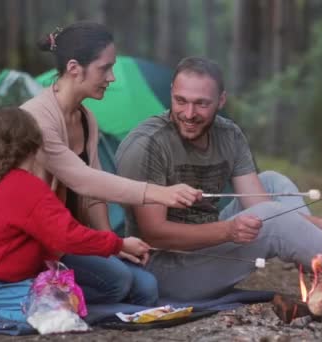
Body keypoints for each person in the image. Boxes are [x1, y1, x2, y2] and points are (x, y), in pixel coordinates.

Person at [115, 56, 322, 301]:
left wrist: (320, 224)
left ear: (221, 101)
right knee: (273, 219)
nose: (189, 113)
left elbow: (260, 203)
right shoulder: (149, 144)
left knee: (273, 182)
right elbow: (154, 233)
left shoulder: (228, 134)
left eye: (201, 104)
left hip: (209, 248)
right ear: (171, 93)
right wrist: (227, 231)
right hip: (165, 270)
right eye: (181, 101)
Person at [20, 22, 201, 307]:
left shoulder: (86, 118)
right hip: (35, 241)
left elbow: (92, 194)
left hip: (70, 239)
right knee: (118, 284)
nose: (112, 77)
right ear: (74, 67)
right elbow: (83, 179)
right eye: (104, 68)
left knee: (146, 288)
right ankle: (27, 295)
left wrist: (109, 244)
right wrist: (161, 192)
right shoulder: (36, 120)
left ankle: (62, 293)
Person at [0, 107, 152, 324]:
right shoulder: (28, 189)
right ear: (37, 143)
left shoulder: (5, 182)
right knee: (55, 318)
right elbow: (67, 235)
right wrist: (120, 244)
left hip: (0, 279)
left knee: (84, 298)